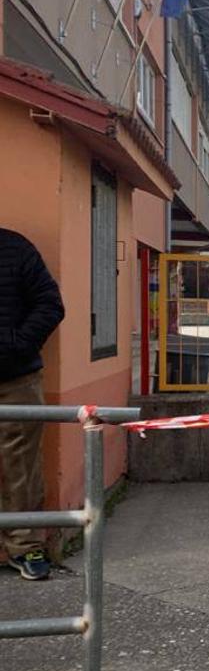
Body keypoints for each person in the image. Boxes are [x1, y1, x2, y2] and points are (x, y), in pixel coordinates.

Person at [0, 228, 65, 581]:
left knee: (20, 466)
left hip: (16, 379)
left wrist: (17, 346)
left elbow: (50, 304)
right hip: (17, 368)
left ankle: (25, 545)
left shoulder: (16, 247)